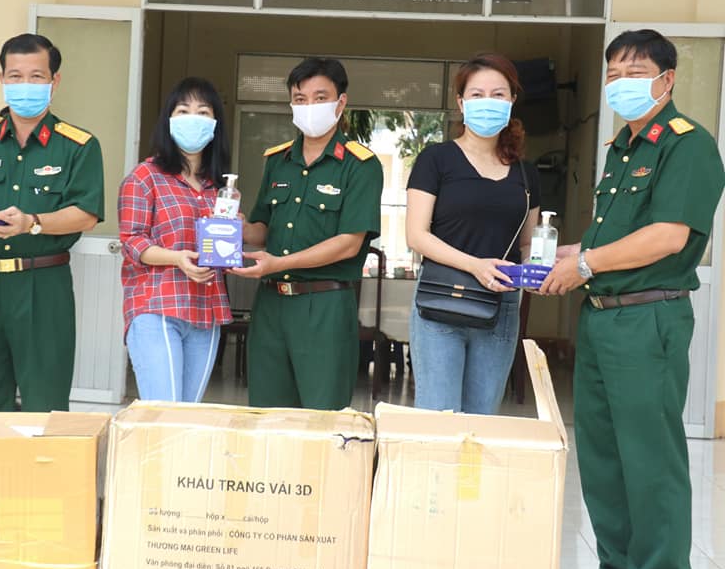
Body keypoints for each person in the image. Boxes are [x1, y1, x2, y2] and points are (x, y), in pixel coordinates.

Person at [541, 29, 724, 569]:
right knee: (603, 460)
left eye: (636, 73)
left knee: (649, 461)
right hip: (602, 318)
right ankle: (616, 565)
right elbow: (621, 236)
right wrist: (576, 252)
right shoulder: (621, 148)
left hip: (649, 319)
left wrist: (585, 264)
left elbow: (668, 235)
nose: (622, 83)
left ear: (667, 80)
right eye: (614, 74)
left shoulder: (687, 145)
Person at [0, 33, 104, 422]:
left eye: (36, 76)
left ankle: (41, 465)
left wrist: (33, 223)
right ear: (1, 79)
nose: (24, 85)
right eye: (15, 76)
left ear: (54, 81)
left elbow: (86, 213)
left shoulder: (78, 145)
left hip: (43, 283)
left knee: (44, 401)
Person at [233, 57, 383, 410]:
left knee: (323, 416)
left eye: (320, 98)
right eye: (300, 99)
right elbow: (262, 230)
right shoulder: (278, 160)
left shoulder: (360, 165)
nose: (309, 106)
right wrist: (236, 227)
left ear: (340, 103)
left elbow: (348, 244)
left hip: (325, 305)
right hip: (271, 304)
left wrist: (278, 263)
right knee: (266, 412)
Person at [405, 52, 541, 415]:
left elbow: (527, 242)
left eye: (498, 94)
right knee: (438, 418)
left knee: (483, 419)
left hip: (501, 304)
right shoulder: (435, 160)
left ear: (512, 100)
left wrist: (536, 271)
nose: (488, 102)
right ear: (461, 103)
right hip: (441, 299)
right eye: (477, 94)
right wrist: (475, 266)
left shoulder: (526, 174)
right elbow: (416, 235)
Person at [118, 77, 232, 402]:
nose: (193, 119)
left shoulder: (219, 188)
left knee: (186, 416)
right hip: (157, 306)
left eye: (203, 112)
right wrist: (176, 258)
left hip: (206, 311)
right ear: (168, 120)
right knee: (163, 412)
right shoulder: (145, 177)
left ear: (215, 123)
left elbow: (222, 248)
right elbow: (132, 241)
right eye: (183, 111)